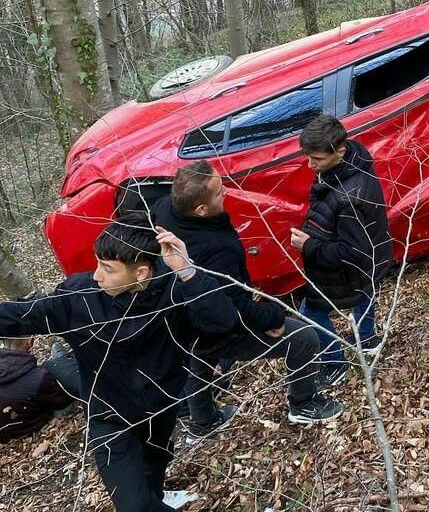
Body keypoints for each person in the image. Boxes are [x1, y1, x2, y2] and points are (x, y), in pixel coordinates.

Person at [0, 214, 240, 511]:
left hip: (159, 409)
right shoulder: (80, 297)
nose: (97, 275)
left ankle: (158, 496)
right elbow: (20, 315)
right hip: (109, 418)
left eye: (108, 269)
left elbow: (222, 323)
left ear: (141, 273)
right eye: (98, 263)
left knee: (154, 471)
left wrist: (188, 272)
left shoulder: (174, 293)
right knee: (134, 506)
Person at [152, 161, 343, 441]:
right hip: (213, 321)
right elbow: (233, 308)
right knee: (303, 337)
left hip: (184, 318)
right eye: (218, 192)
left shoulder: (166, 208)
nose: (226, 192)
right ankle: (304, 404)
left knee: (198, 359)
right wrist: (272, 317)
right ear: (201, 209)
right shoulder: (217, 248)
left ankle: (203, 421)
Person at [292, 115, 393, 386]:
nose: (310, 165)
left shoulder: (348, 198)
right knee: (367, 288)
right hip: (374, 254)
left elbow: (351, 253)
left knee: (310, 312)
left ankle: (335, 365)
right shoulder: (354, 159)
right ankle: (367, 338)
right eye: (308, 156)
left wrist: (309, 245)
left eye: (317, 159)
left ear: (340, 151)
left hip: (352, 265)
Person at [0, 336, 73, 442]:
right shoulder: (38, 377)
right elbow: (63, 400)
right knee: (60, 365)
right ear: (29, 341)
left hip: (4, 436)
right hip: (27, 430)